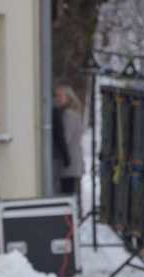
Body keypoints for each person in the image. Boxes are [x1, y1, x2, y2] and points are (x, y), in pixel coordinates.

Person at [54, 85, 84, 215]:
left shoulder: (69, 115)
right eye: (56, 96)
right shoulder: (71, 113)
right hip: (71, 164)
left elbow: (65, 138)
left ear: (68, 98)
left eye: (60, 96)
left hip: (69, 164)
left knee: (69, 196)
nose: (57, 99)